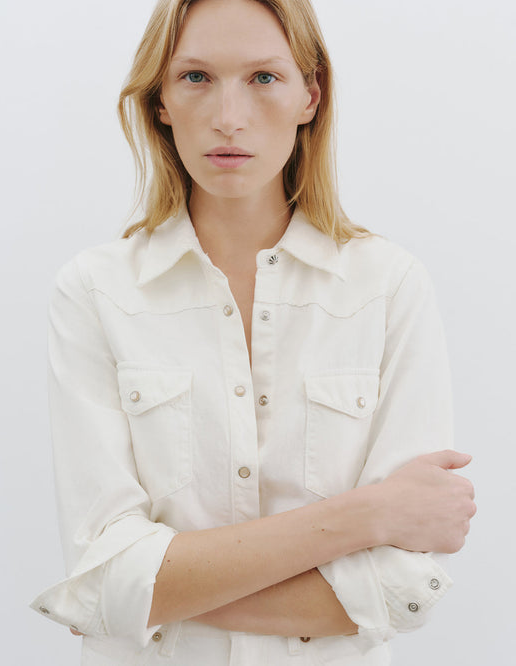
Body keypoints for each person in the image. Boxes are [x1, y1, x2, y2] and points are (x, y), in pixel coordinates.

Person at [30, 0, 476, 664]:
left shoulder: (387, 287)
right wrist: (370, 514)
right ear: (160, 100)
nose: (228, 117)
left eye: (264, 77)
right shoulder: (95, 292)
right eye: (196, 77)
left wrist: (147, 591)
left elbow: (397, 588)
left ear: (309, 96)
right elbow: (105, 571)